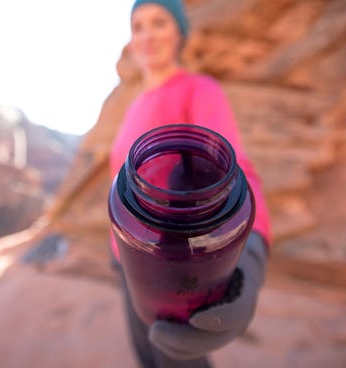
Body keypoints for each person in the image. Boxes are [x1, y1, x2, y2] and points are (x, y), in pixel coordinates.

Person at [109, 1, 272, 367]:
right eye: (138, 27)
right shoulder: (135, 105)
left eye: (159, 22)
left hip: (174, 268)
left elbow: (237, 169)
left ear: (180, 33)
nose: (146, 35)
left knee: (177, 357)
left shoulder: (199, 90)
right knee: (146, 358)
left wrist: (252, 253)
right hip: (125, 259)